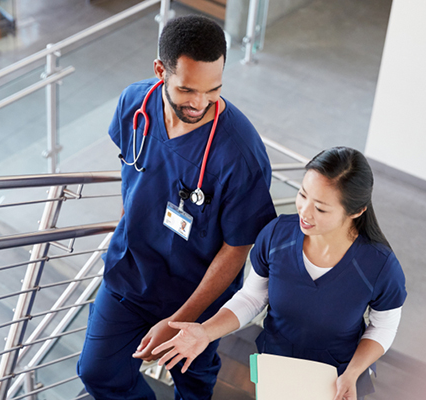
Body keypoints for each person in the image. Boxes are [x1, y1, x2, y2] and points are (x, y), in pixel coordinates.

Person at [76, 15, 277, 400]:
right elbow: (130, 169)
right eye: (187, 90)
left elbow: (237, 248)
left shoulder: (239, 152)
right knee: (96, 371)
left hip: (197, 293)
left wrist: (180, 320)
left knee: (194, 380)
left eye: (213, 90)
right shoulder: (135, 103)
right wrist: (127, 224)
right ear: (160, 71)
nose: (200, 103)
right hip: (130, 273)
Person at [151, 147, 407, 400]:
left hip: (336, 380)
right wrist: (205, 332)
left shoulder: (379, 267)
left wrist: (352, 373)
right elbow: (252, 298)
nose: (304, 212)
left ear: (356, 211)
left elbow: (383, 327)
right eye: (302, 195)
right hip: (276, 365)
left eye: (321, 208)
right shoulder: (276, 235)